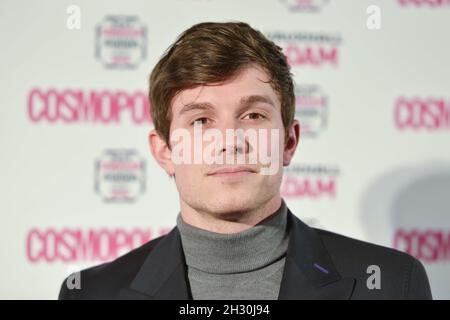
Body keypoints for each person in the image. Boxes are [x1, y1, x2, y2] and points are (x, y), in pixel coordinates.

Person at [59, 21, 432, 300]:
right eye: (201, 120)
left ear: (289, 141)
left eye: (253, 116)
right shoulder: (90, 293)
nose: (230, 142)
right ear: (164, 151)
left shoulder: (392, 283)